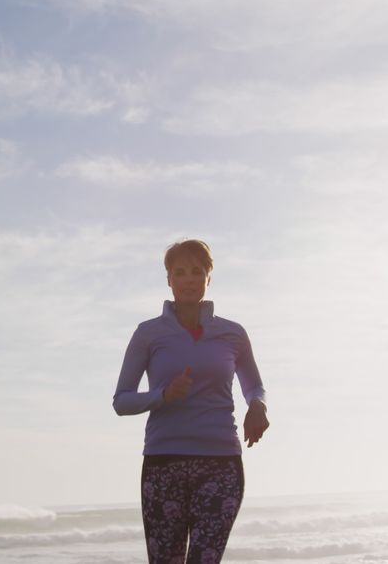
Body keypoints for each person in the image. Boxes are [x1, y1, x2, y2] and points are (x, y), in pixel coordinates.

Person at [113, 239, 270, 564]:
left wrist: (258, 406)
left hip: (221, 463)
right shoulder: (148, 334)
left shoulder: (232, 334)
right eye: (179, 272)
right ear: (169, 279)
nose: (188, 279)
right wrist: (163, 396)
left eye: (197, 271)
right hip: (163, 464)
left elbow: (254, 386)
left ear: (208, 278)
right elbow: (121, 401)